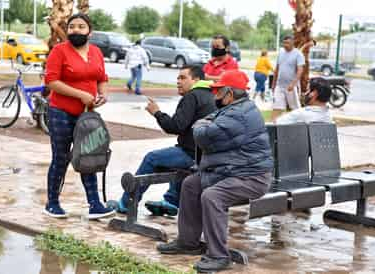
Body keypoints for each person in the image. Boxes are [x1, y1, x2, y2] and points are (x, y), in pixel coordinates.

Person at [157, 70, 274, 272]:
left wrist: (200, 124)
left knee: (212, 196)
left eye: (217, 91)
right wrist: (203, 124)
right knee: (191, 184)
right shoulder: (235, 108)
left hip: (251, 177)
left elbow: (203, 136)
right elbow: (207, 124)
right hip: (232, 171)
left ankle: (218, 255)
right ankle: (188, 242)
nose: (214, 95)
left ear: (228, 94)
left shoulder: (238, 115)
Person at [116, 66, 217, 215]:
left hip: (194, 155)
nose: (178, 81)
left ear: (196, 80)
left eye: (183, 78)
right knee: (173, 155)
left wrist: (157, 112)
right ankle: (171, 201)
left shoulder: (192, 96)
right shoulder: (211, 95)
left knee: (152, 158)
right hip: (206, 155)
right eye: (177, 78)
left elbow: (175, 126)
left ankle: (127, 203)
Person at [44, 13, 115, 220]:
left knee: (89, 156)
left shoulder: (96, 52)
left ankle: (95, 205)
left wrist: (103, 93)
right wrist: (81, 95)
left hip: (87, 115)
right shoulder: (59, 51)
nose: (76, 30)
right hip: (60, 112)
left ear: (89, 31)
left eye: (81, 26)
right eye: (72, 26)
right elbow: (52, 81)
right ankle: (52, 203)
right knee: (61, 158)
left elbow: (102, 77)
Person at [271, 35, 305, 121]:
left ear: (293, 43)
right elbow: (277, 69)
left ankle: (299, 126)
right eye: (284, 43)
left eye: (288, 43)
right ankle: (275, 126)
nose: (285, 45)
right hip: (279, 86)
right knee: (277, 107)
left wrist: (293, 84)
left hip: (291, 87)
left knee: (295, 109)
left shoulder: (298, 54)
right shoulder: (281, 53)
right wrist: (273, 84)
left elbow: (300, 70)